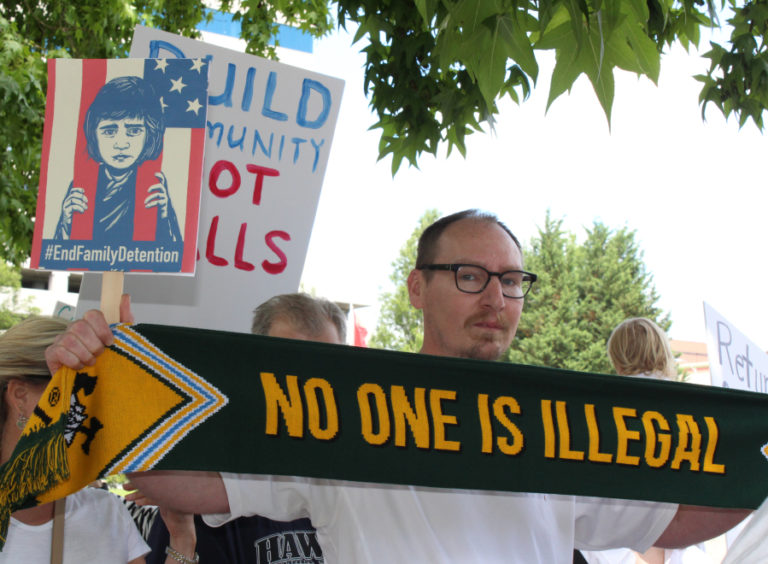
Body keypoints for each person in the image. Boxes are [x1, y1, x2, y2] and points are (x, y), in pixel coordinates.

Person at [47, 210, 751, 562]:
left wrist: (754, 462)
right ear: (417, 288)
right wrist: (101, 388)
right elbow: (180, 483)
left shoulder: (558, 424)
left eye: (512, 281)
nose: (496, 298)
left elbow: (680, 518)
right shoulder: (345, 409)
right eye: (471, 276)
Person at [140, 293, 344, 564]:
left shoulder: (363, 479)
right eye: (289, 365)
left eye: (325, 367)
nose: (306, 387)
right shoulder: (209, 483)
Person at [0, 316, 150, 564]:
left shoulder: (106, 512)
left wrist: (182, 539)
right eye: (79, 395)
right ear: (21, 396)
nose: (96, 418)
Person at [580, 317, 718, 564]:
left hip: (619, 545)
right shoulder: (695, 410)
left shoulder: (599, 411)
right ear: (662, 351)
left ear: (617, 357)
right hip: (680, 541)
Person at [54, 75, 182, 247]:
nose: (121, 144)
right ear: (94, 134)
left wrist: (164, 216)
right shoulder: (82, 187)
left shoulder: (153, 186)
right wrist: (66, 223)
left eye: (134, 131)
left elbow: (173, 254)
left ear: (149, 133)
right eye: (109, 131)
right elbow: (59, 251)